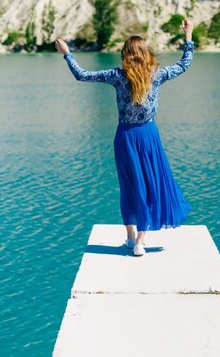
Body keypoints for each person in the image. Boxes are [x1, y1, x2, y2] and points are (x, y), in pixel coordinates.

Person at [54, 19, 195, 256]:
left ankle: (130, 237)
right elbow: (185, 64)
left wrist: (67, 54)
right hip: (148, 136)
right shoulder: (157, 74)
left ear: (125, 56)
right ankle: (140, 241)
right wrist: (188, 35)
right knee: (148, 185)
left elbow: (82, 75)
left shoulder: (117, 76)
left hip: (125, 137)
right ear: (146, 54)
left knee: (128, 186)